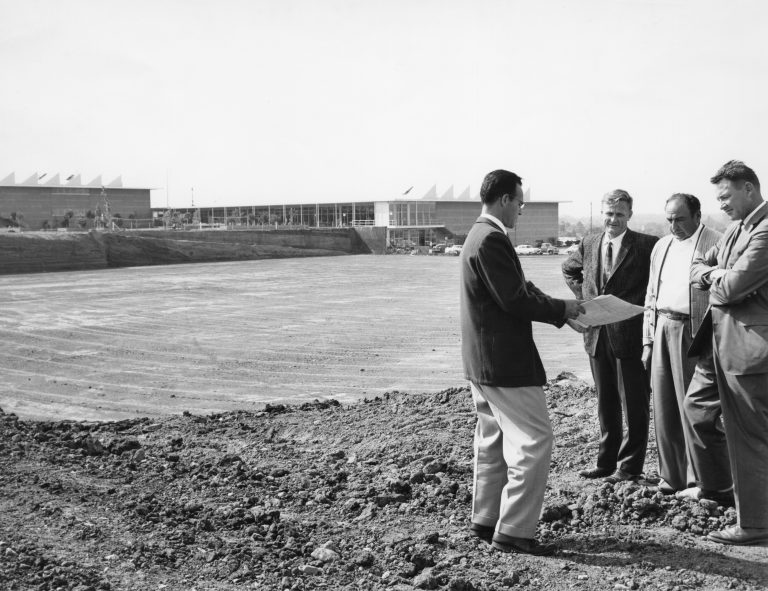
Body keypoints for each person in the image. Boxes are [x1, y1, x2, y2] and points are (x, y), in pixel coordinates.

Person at [460, 169, 583, 556]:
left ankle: (486, 517)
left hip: (482, 361)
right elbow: (515, 299)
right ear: (505, 200)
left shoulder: (477, 236)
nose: (521, 212)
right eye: (521, 203)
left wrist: (562, 310)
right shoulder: (493, 239)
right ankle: (514, 529)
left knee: (493, 440)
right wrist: (564, 307)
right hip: (505, 363)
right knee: (535, 439)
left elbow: (518, 290)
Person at [690, 160, 768, 545]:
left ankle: (754, 524)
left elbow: (729, 289)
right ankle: (722, 490)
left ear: (749, 190)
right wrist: (715, 273)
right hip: (719, 345)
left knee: (749, 437)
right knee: (697, 410)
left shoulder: (765, 231)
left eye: (725, 196)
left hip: (749, 349)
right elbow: (697, 269)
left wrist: (717, 276)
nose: (720, 205)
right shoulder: (738, 228)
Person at [562, 190, 658, 483]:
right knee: (606, 402)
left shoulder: (646, 245)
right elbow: (569, 269)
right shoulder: (589, 242)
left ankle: (629, 467)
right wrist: (584, 298)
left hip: (630, 335)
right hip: (597, 335)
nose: (612, 219)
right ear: (602, 213)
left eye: (619, 214)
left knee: (635, 405)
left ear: (629, 215)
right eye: (608, 213)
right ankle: (606, 463)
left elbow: (658, 282)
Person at [641, 194, 729, 497]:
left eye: (679, 219)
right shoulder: (661, 246)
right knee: (664, 407)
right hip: (663, 327)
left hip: (695, 332)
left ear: (697, 216)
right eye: (669, 219)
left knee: (694, 407)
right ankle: (671, 477)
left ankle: (699, 480)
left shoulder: (716, 242)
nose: (673, 225)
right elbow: (651, 294)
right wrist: (648, 341)